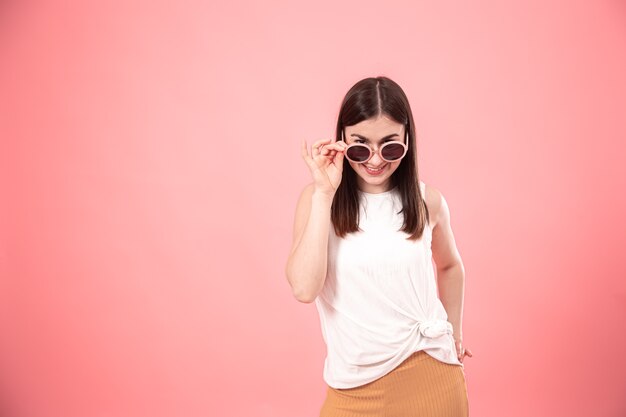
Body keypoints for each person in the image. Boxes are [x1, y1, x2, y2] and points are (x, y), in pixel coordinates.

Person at [285, 76, 473, 416]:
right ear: (341, 139)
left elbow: (450, 266)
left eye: (390, 146)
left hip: (431, 377)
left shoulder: (426, 200)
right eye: (360, 145)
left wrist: (454, 332)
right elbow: (303, 288)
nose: (374, 160)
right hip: (352, 390)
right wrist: (325, 194)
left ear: (407, 141)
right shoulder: (317, 199)